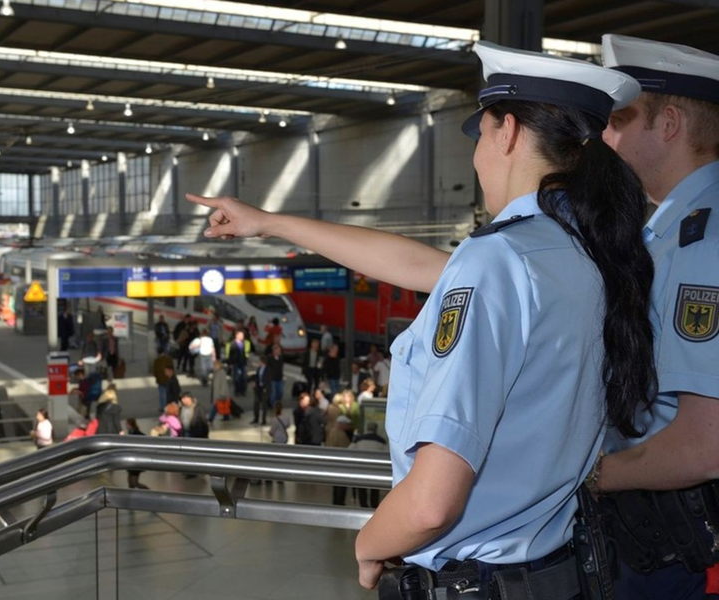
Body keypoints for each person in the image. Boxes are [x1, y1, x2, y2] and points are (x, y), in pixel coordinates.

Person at [186, 39, 658, 597]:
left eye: (481, 134)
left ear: (505, 132)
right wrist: (271, 223)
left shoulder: (500, 259)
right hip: (556, 569)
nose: (478, 153)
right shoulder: (578, 254)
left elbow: (433, 502)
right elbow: (417, 264)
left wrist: (368, 545)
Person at [590, 35, 719, 599]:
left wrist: (580, 478)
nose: (604, 136)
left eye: (619, 120)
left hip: (679, 552)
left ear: (668, 125)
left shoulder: (703, 245)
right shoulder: (668, 232)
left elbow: (703, 445)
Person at [349, 422, 389, 509]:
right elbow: (387, 453)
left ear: (367, 429)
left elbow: (350, 450)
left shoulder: (358, 440)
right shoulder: (381, 441)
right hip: (375, 468)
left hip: (361, 467)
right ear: (376, 429)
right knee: (374, 487)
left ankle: (363, 505)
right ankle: (374, 504)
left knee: (362, 487)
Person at [224, 329, 251, 396]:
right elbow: (230, 354)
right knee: (236, 378)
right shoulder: (232, 343)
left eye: (243, 335)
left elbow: (246, 352)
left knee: (244, 377)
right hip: (235, 362)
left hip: (243, 362)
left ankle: (243, 390)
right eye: (241, 335)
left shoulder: (244, 343)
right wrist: (230, 363)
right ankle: (237, 390)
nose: (242, 336)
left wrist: (246, 359)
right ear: (236, 336)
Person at [124, 417, 149, 490]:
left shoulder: (135, 434)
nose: (125, 426)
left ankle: (147, 490)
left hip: (136, 461)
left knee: (134, 482)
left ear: (129, 424)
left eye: (126, 424)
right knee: (131, 482)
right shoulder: (132, 433)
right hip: (132, 461)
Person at [250, 354, 271, 425]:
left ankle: (264, 420)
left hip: (264, 389)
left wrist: (266, 388)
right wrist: (254, 382)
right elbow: (257, 377)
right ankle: (256, 418)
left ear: (263, 362)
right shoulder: (259, 369)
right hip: (258, 388)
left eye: (259, 361)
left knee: (264, 405)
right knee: (256, 403)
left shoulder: (268, 369)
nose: (258, 362)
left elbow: (268, 380)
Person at [153, 348, 175, 413]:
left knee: (162, 394)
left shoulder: (156, 361)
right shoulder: (169, 359)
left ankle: (162, 407)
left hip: (160, 380)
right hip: (169, 379)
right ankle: (169, 406)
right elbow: (172, 368)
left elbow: (154, 371)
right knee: (169, 393)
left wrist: (157, 376)